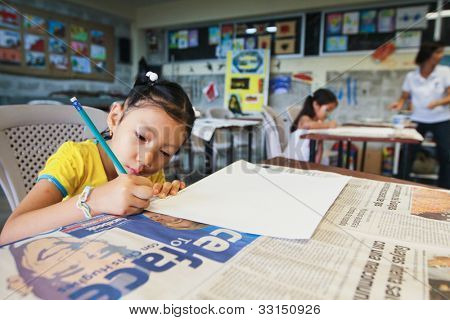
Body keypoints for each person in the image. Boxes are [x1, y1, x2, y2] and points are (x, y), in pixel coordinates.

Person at [0, 72, 195, 245]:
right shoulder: (75, 158)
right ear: (115, 118)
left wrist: (163, 199)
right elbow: (10, 233)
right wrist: (94, 202)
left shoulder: (151, 172)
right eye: (141, 137)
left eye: (165, 152)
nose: (147, 159)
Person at [389, 42, 450, 189]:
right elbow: (404, 96)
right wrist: (399, 103)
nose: (441, 56)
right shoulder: (412, 76)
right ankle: (402, 184)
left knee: (446, 154)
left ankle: (445, 188)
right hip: (418, 119)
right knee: (408, 152)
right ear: (428, 55)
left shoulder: (445, 72)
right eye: (438, 53)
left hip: (441, 119)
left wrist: (438, 102)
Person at [283, 88, 338, 163]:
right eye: (327, 110)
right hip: (292, 163)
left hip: (307, 163)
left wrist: (317, 166)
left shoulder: (318, 124)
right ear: (316, 105)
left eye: (331, 111)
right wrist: (329, 124)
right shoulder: (304, 118)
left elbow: (320, 148)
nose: (328, 114)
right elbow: (307, 125)